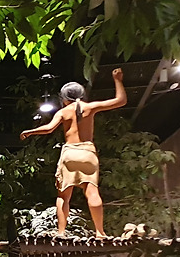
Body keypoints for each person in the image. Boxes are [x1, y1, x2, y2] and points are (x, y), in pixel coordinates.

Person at [20, 68, 126, 238]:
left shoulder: (63, 112)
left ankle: (61, 231)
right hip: (88, 153)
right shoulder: (90, 107)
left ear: (64, 98)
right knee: (92, 192)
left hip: (70, 153)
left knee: (64, 195)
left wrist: (30, 132)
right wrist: (118, 80)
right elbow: (120, 101)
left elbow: (48, 129)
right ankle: (100, 232)